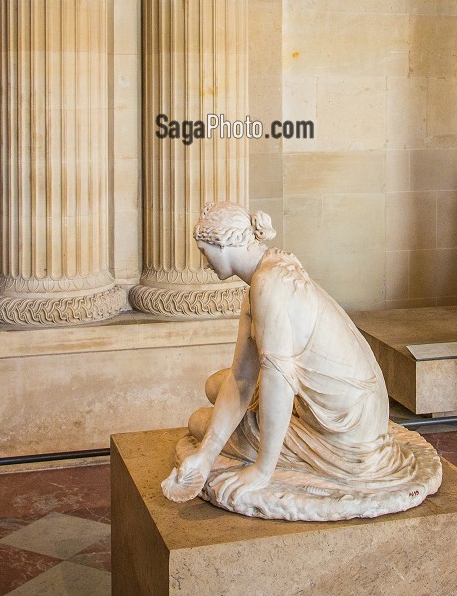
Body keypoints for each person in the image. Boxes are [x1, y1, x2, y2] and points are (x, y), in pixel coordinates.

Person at [162, 202, 419, 506]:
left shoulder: (268, 285)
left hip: (347, 431)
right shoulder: (268, 271)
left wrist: (262, 470)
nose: (205, 264)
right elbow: (241, 378)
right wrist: (206, 456)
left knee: (200, 423)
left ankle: (286, 453)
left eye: (204, 253)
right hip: (358, 406)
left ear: (223, 244)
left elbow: (279, 382)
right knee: (215, 385)